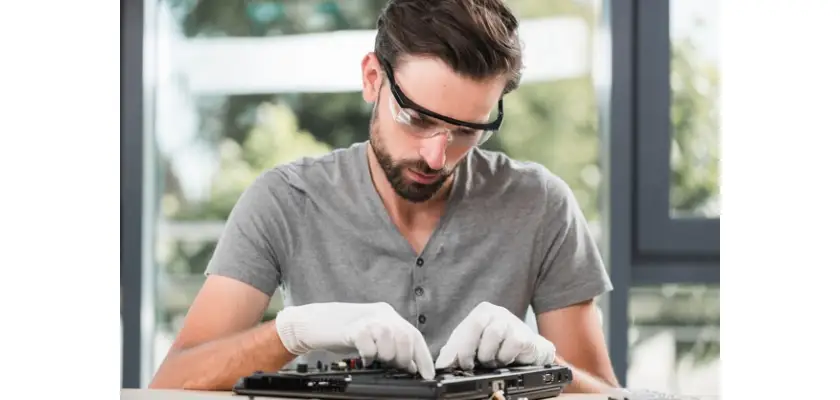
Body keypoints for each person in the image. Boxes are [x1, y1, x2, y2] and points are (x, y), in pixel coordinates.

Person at [149, 0, 622, 394]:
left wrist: (540, 365)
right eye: (416, 119)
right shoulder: (284, 200)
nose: (436, 157)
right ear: (373, 78)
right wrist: (293, 332)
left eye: (466, 131)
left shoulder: (539, 204)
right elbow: (171, 383)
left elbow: (606, 394)